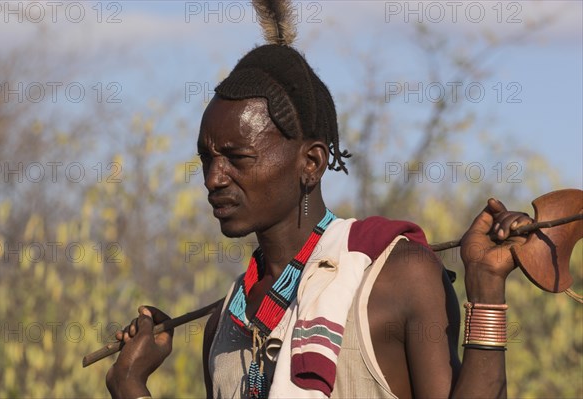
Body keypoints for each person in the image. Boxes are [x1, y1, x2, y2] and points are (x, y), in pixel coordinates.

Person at [105, 1, 533, 398]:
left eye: (237, 157)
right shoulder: (225, 324)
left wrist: (487, 287)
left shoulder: (399, 276)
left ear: (311, 162)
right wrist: (130, 383)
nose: (214, 178)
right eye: (206, 158)